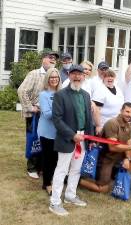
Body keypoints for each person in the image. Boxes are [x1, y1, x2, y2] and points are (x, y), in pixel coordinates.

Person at [49, 64, 94, 216]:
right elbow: (57, 119)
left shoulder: (86, 95)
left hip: (82, 139)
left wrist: (90, 137)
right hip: (67, 139)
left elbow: (88, 119)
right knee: (61, 170)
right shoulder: (60, 95)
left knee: (76, 169)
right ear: (69, 75)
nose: (77, 76)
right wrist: (72, 135)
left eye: (79, 74)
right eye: (73, 74)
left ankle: (70, 195)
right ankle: (54, 202)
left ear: (83, 76)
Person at [80, 102, 131, 193]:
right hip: (106, 158)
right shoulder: (112, 123)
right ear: (121, 111)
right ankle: (77, 181)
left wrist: (127, 158)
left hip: (118, 155)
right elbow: (113, 147)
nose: (129, 115)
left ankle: (123, 180)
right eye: (127, 112)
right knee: (103, 189)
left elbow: (128, 144)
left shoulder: (128, 125)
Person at [17, 50, 59, 179]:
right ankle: (32, 167)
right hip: (34, 115)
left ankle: (41, 166)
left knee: (46, 140)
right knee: (34, 139)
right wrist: (31, 107)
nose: (53, 60)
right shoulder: (34, 74)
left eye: (55, 59)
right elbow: (22, 90)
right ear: (43, 59)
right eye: (50, 57)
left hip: (49, 115)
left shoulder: (56, 76)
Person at [37, 68, 62, 195]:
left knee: (57, 158)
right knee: (48, 158)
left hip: (59, 132)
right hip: (47, 131)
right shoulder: (43, 94)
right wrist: (63, 112)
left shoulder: (62, 93)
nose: (54, 79)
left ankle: (53, 180)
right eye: (51, 77)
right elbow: (47, 114)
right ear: (47, 79)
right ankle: (46, 184)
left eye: (56, 77)